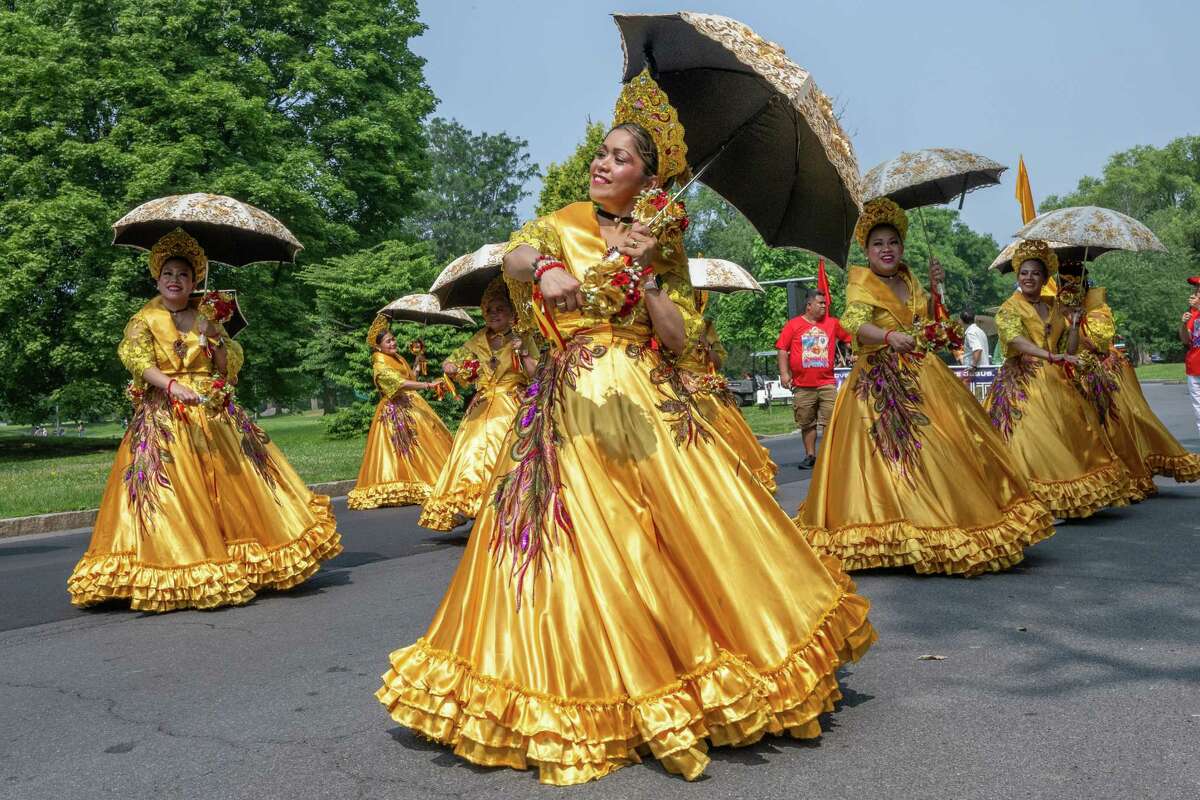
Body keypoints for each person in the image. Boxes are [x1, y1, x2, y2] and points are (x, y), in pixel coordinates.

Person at [375, 70, 875, 785]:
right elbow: (511, 257)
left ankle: (705, 671)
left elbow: (676, 336)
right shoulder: (563, 222)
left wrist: (645, 275)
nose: (601, 162)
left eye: (619, 157)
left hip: (645, 402)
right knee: (574, 542)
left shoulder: (661, 242)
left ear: (647, 178)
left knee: (681, 533)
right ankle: (585, 682)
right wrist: (547, 268)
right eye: (601, 153)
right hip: (571, 406)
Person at [67, 229, 342, 612]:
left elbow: (225, 371)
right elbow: (138, 362)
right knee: (171, 493)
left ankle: (240, 559)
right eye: (168, 274)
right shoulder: (143, 319)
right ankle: (177, 565)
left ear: (194, 280)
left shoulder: (206, 317)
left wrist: (215, 341)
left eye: (183, 274)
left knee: (231, 485)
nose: (175, 280)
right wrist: (171, 386)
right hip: (165, 416)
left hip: (212, 413)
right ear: (157, 278)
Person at [793, 199, 1054, 575]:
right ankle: (891, 530)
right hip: (877, 382)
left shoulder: (910, 278)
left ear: (902, 247)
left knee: (947, 443)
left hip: (921, 373)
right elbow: (853, 323)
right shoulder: (859, 281)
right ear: (867, 250)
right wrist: (886, 335)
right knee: (887, 457)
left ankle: (945, 517)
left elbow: (931, 321)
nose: (886, 250)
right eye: (878, 243)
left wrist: (937, 288)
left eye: (893, 243)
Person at [983, 240, 1135, 517]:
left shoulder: (1054, 308)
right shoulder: (1009, 308)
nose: (1028, 278)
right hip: (1023, 383)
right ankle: (1033, 499)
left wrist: (1075, 324)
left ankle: (1063, 499)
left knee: (1067, 437)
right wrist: (1049, 356)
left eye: (1035, 274)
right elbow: (1015, 341)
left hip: (1057, 383)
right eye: (1024, 273)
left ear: (1044, 279)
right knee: (1034, 440)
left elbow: (1069, 349)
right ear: (1018, 277)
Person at [1056, 265, 1199, 495]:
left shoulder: (1097, 309)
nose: (1069, 290)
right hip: (1065, 372)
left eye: (1074, 285)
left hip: (1101, 374)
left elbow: (1100, 344)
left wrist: (1077, 323)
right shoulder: (1054, 309)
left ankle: (1125, 473)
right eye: (1064, 285)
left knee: (1120, 420)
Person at [419, 278, 538, 530]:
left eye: (499, 309)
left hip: (512, 404)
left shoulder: (523, 337)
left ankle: (507, 504)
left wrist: (523, 351)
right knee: (472, 450)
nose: (493, 314)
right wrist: (451, 368)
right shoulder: (478, 339)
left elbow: (536, 375)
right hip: (482, 404)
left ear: (511, 312)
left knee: (504, 450)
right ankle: (472, 505)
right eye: (489, 310)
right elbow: (453, 364)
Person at [674, 290, 779, 493]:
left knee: (729, 433)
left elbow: (718, 361)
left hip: (709, 388)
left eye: (697, 297)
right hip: (678, 386)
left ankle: (739, 477)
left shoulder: (706, 326)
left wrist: (706, 347)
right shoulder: (666, 318)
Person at [346, 314, 454, 510]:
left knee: (425, 444)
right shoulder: (379, 364)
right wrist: (429, 385)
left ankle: (427, 479)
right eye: (388, 341)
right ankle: (402, 485)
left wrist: (418, 360)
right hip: (394, 411)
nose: (393, 342)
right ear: (378, 346)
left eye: (393, 339)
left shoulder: (397, 358)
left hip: (412, 405)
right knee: (400, 449)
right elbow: (400, 383)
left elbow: (410, 376)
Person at [776, 290, 851, 468]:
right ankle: (810, 456)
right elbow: (781, 350)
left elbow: (850, 339)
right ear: (809, 306)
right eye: (820, 303)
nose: (824, 306)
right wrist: (785, 374)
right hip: (802, 385)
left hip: (827, 384)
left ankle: (828, 456)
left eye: (825, 303)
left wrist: (854, 351)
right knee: (807, 423)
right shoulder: (793, 325)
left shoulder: (833, 323)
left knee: (830, 421)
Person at [1184, 276, 1200, 437]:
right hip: (1193, 367)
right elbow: (1186, 339)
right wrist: (1182, 324)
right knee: (1198, 409)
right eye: (1195, 290)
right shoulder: (1193, 313)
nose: (1194, 293)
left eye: (1198, 290)